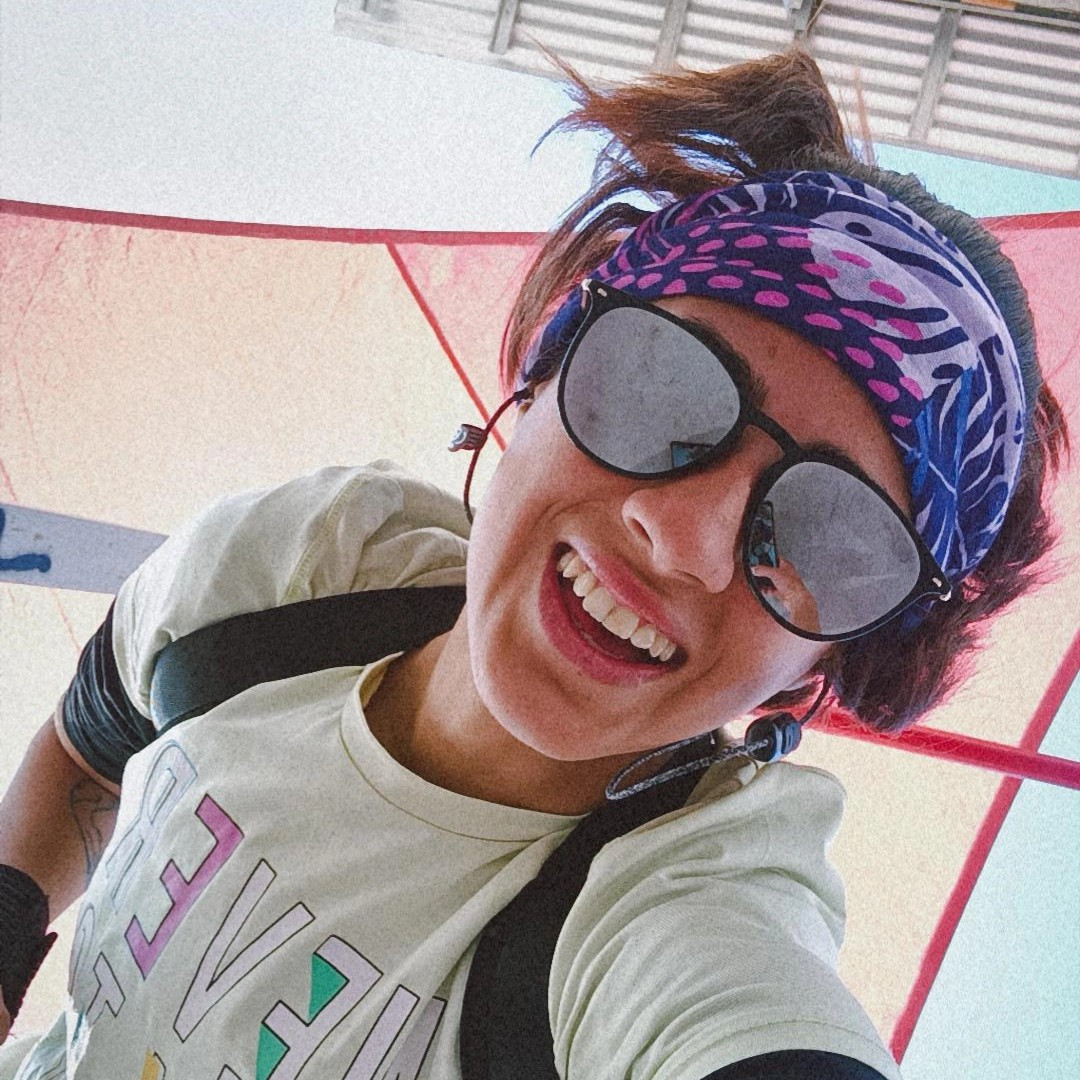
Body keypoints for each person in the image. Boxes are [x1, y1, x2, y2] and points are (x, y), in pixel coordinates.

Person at [0, 47, 1067, 1080]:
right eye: (659, 387)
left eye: (833, 538)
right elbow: (93, 745)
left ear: (819, 662)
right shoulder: (306, 564)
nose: (683, 539)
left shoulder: (685, 915)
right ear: (546, 369)